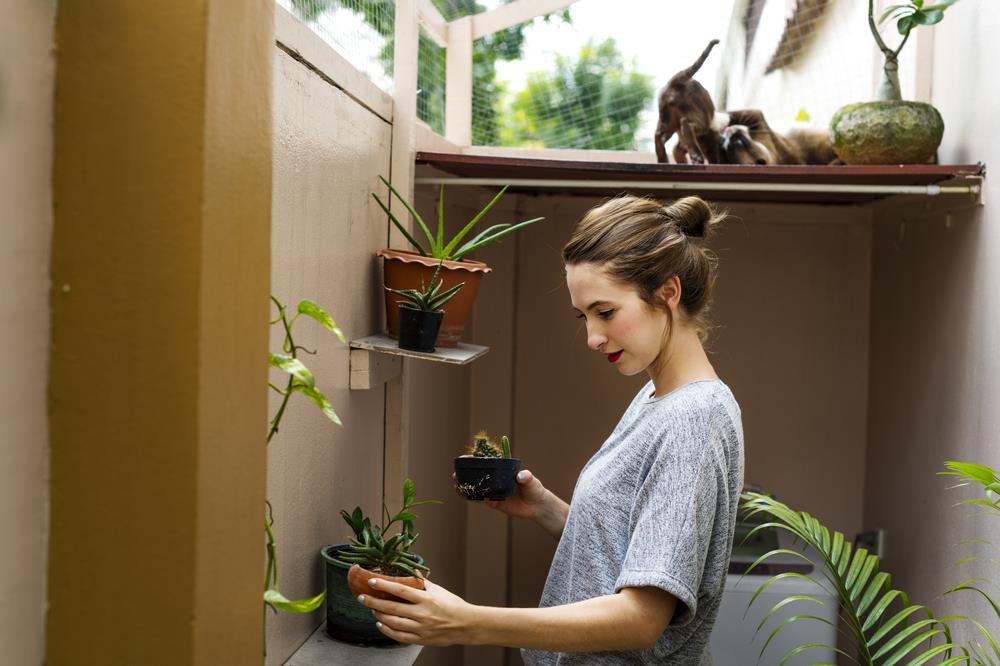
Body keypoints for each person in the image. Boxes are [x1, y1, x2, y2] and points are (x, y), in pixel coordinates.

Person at [358, 194, 746, 665]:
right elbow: (638, 551)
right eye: (583, 317)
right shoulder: (657, 397)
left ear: (667, 292)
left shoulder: (692, 419)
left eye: (605, 312)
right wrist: (549, 510)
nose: (592, 337)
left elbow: (641, 619)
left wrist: (468, 622)